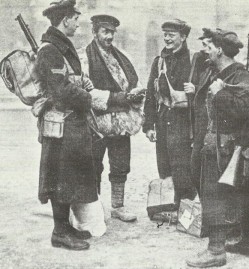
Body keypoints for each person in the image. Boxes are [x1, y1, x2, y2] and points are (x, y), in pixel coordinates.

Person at [185, 28, 249, 268]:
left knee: (215, 194)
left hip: (227, 148)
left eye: (209, 47)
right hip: (225, 145)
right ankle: (248, 243)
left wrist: (220, 94)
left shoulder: (240, 77)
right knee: (246, 193)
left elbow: (243, 111)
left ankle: (216, 251)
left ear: (220, 50)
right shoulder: (224, 72)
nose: (205, 51)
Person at [35, 0, 98, 250]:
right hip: (61, 123)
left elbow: (67, 80)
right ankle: (59, 231)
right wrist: (87, 97)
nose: (78, 22)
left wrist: (82, 84)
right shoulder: (50, 49)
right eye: (75, 18)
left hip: (70, 122)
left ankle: (65, 227)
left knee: (68, 176)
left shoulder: (59, 47)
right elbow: (59, 89)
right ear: (65, 20)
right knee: (60, 176)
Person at [85, 15, 145, 222]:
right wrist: (118, 97)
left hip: (121, 121)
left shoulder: (121, 56)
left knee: (120, 163)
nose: (109, 36)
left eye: (112, 32)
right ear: (95, 32)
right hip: (97, 121)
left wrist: (135, 93)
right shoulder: (85, 57)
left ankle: (118, 207)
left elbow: (132, 81)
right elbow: (86, 92)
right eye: (105, 32)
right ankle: (93, 209)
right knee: (94, 164)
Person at [143, 19, 197, 218]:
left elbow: (201, 94)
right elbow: (150, 95)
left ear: (183, 37)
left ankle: (187, 215)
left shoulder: (193, 61)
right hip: (163, 120)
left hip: (184, 123)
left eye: (171, 35)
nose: (167, 38)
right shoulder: (159, 62)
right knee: (164, 165)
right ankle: (168, 208)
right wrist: (148, 125)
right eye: (165, 34)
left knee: (183, 168)